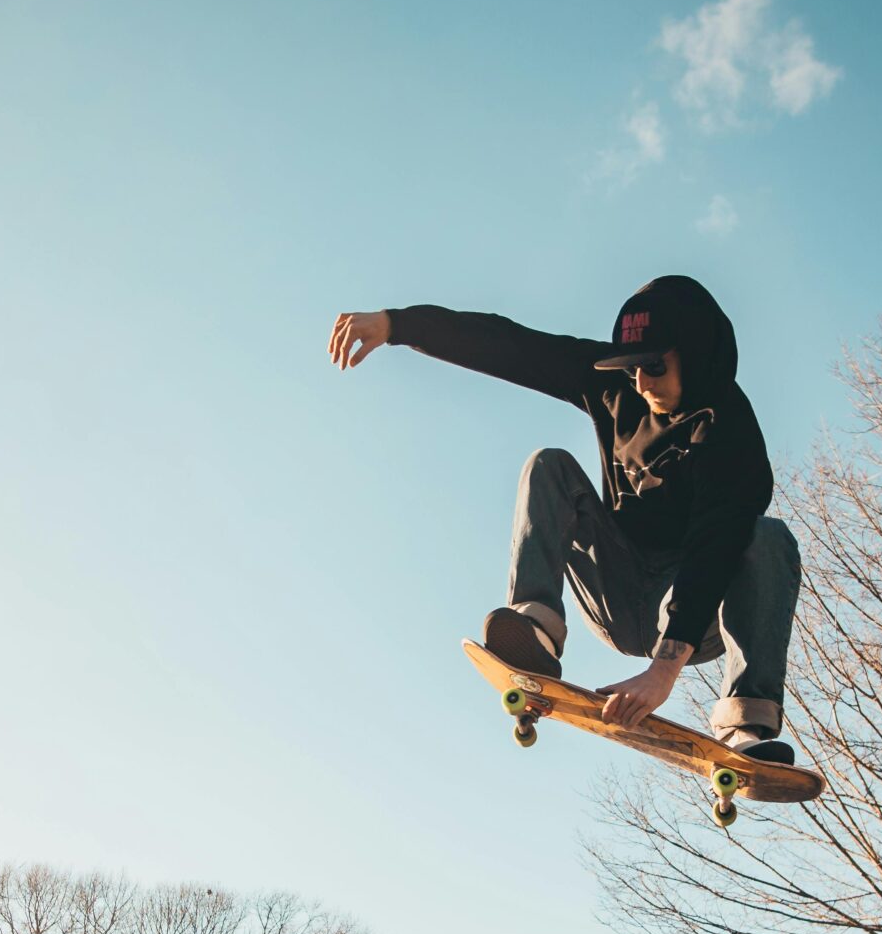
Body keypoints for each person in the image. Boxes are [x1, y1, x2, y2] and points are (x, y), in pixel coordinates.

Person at [327, 275, 800, 762]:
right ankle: (538, 628)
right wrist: (398, 325)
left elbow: (714, 551)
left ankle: (746, 727)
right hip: (615, 588)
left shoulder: (730, 432)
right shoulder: (614, 387)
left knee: (767, 538)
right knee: (549, 464)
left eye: (654, 367)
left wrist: (663, 671)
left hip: (689, 607)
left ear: (696, 355)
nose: (640, 382)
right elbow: (512, 346)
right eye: (632, 368)